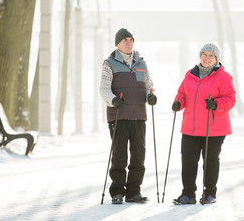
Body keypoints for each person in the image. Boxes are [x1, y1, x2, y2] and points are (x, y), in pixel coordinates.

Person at [171, 43, 236, 205]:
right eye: (204, 54)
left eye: (211, 56)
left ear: (216, 59)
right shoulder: (190, 75)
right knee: (188, 161)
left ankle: (209, 193)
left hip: (213, 129)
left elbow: (230, 99)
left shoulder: (223, 76)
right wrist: (178, 102)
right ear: (200, 56)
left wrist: (216, 104)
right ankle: (188, 194)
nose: (207, 58)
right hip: (190, 128)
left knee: (210, 161)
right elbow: (182, 94)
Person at [100, 28, 157, 204]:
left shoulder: (141, 63)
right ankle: (117, 192)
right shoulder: (109, 63)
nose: (129, 43)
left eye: (131, 40)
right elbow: (104, 89)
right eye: (125, 40)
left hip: (139, 116)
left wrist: (151, 96)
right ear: (117, 44)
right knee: (120, 156)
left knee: (139, 155)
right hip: (119, 116)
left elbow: (149, 85)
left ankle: (134, 192)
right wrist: (113, 100)